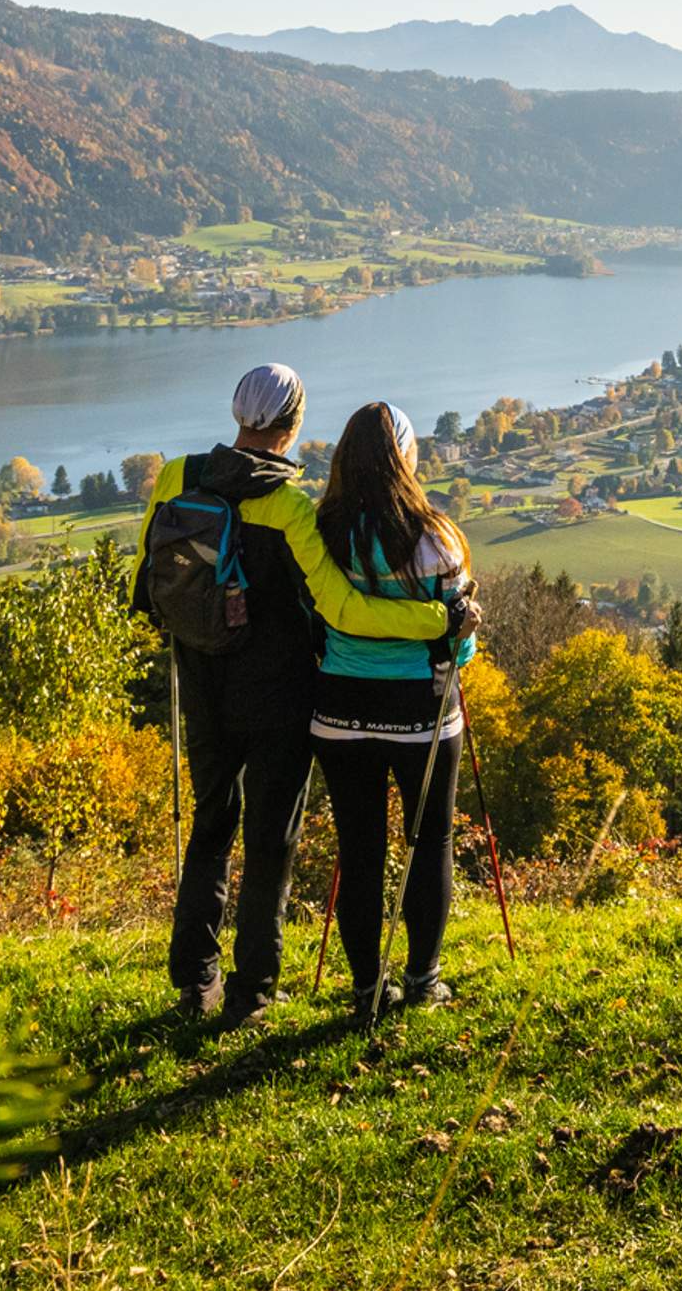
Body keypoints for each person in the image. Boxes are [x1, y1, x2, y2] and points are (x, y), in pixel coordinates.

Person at [133, 364, 467, 1025]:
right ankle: (251, 991)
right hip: (278, 696)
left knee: (209, 825)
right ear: (296, 420)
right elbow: (344, 610)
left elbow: (148, 575)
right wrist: (438, 621)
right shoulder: (287, 508)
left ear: (238, 412)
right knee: (269, 840)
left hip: (201, 680)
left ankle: (194, 982)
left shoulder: (176, 475)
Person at [306, 400, 477, 1023]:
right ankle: (423, 978)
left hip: (339, 707)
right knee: (429, 840)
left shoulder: (323, 532)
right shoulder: (435, 536)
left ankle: (366, 988)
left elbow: (311, 618)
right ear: (407, 457)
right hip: (422, 710)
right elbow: (461, 640)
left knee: (360, 847)